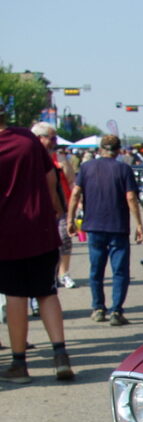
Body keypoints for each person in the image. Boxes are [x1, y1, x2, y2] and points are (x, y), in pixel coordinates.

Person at [0, 105, 75, 382]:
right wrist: (55, 210)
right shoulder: (28, 139)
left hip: (7, 232)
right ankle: (60, 355)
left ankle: (19, 364)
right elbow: (50, 178)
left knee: (16, 296)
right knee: (47, 292)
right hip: (41, 227)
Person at [67, 134, 143, 326]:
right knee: (120, 271)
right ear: (118, 151)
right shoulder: (124, 169)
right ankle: (116, 311)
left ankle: (98, 308)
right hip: (118, 226)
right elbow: (131, 197)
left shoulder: (87, 167)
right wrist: (139, 224)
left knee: (96, 269)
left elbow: (75, 194)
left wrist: (70, 219)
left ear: (101, 149)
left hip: (94, 225)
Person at [31, 122, 77, 288]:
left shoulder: (59, 157)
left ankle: (64, 274)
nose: (55, 142)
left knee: (64, 239)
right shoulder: (29, 156)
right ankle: (48, 275)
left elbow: (71, 181)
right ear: (39, 138)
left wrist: (76, 203)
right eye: (52, 138)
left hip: (60, 206)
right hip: (37, 208)